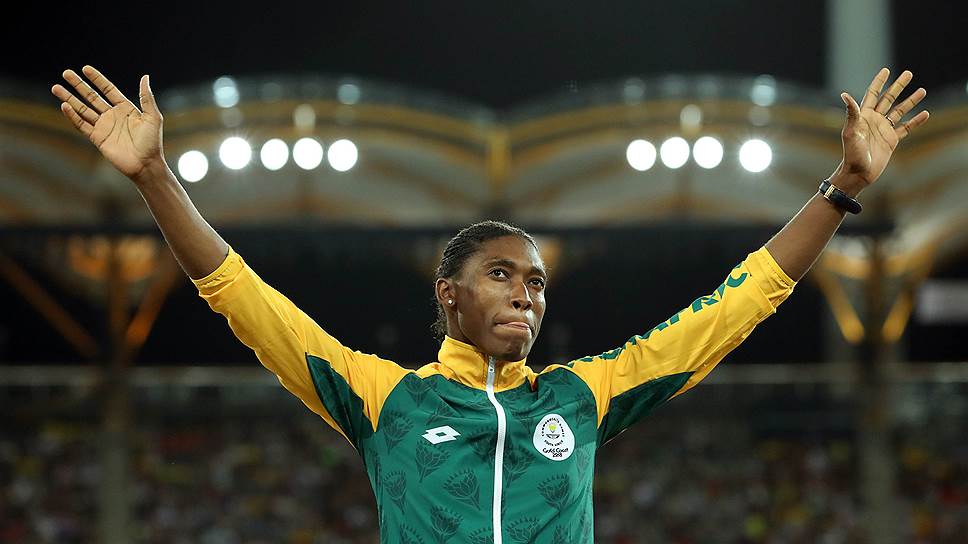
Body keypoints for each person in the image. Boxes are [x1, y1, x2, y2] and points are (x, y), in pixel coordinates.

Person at [52, 66, 928, 543]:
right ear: (449, 295)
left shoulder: (582, 397)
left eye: (537, 281)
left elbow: (735, 306)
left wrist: (842, 188)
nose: (526, 294)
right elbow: (239, 294)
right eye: (503, 275)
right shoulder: (386, 399)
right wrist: (156, 176)